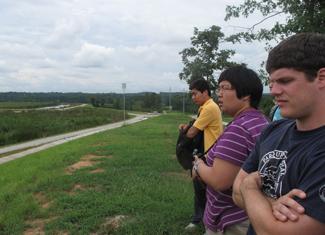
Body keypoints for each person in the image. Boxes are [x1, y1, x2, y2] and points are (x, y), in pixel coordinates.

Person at [232, 33, 325, 235]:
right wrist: (271, 203)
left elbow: (273, 232)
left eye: (284, 80)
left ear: (321, 78)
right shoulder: (273, 130)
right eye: (272, 82)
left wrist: (250, 187)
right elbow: (234, 192)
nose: (273, 90)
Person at [191, 66, 269, 235]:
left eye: (225, 88)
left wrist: (198, 165)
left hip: (231, 220)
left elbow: (220, 181)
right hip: (251, 212)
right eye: (218, 88)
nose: (219, 93)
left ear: (246, 94)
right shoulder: (260, 121)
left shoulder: (239, 129)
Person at [179, 78, 223, 230]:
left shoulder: (209, 108)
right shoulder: (206, 107)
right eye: (191, 94)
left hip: (209, 154)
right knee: (202, 189)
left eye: (195, 94)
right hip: (208, 152)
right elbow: (197, 124)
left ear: (205, 92)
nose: (193, 97)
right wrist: (188, 125)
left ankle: (202, 221)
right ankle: (203, 219)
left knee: (202, 189)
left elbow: (192, 133)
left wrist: (183, 136)